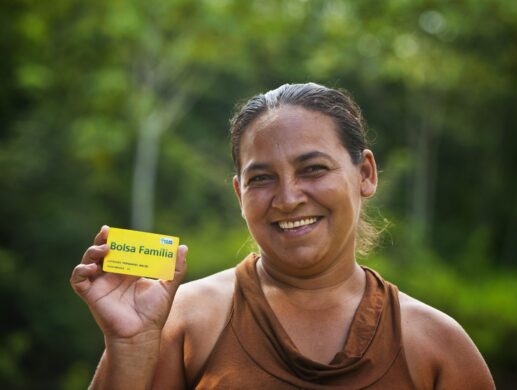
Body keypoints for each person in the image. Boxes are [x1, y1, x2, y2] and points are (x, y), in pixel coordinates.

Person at [70, 83, 495, 389]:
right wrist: (129, 346)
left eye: (313, 169)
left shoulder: (436, 346)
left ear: (365, 174)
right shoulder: (184, 322)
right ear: (239, 193)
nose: (288, 198)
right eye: (262, 178)